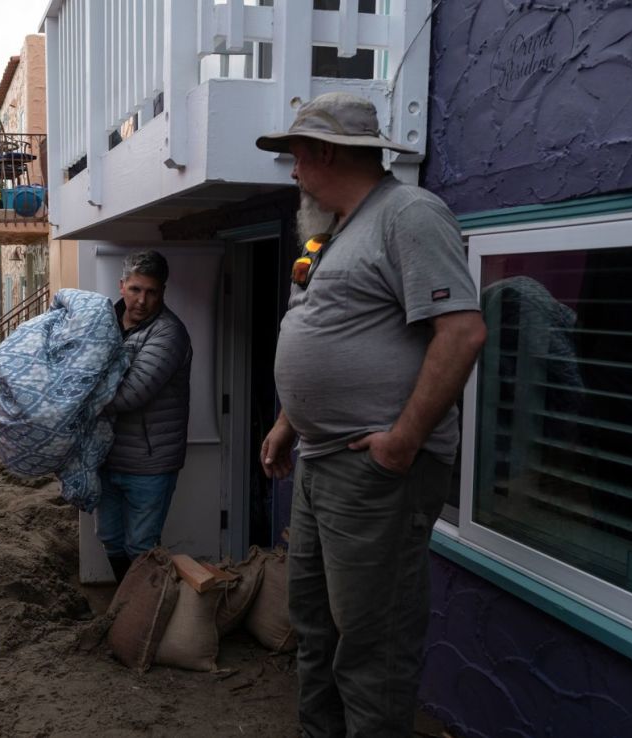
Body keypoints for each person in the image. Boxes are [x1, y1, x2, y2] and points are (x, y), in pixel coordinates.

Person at [256, 93, 487, 737]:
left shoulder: (408, 215)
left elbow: (462, 332)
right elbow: (331, 334)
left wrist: (403, 442)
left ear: (326, 152)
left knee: (372, 643)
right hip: (321, 462)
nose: (293, 170)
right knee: (314, 625)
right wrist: (287, 422)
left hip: (376, 471)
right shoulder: (333, 231)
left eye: (297, 156)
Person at [98, 250, 192, 583]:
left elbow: (131, 393)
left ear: (162, 292)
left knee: (141, 546)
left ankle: (142, 618)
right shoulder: (103, 321)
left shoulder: (168, 333)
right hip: (107, 458)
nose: (142, 300)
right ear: (122, 285)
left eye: (151, 291)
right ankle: (128, 609)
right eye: (136, 289)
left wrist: (76, 396)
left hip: (149, 463)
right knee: (110, 538)